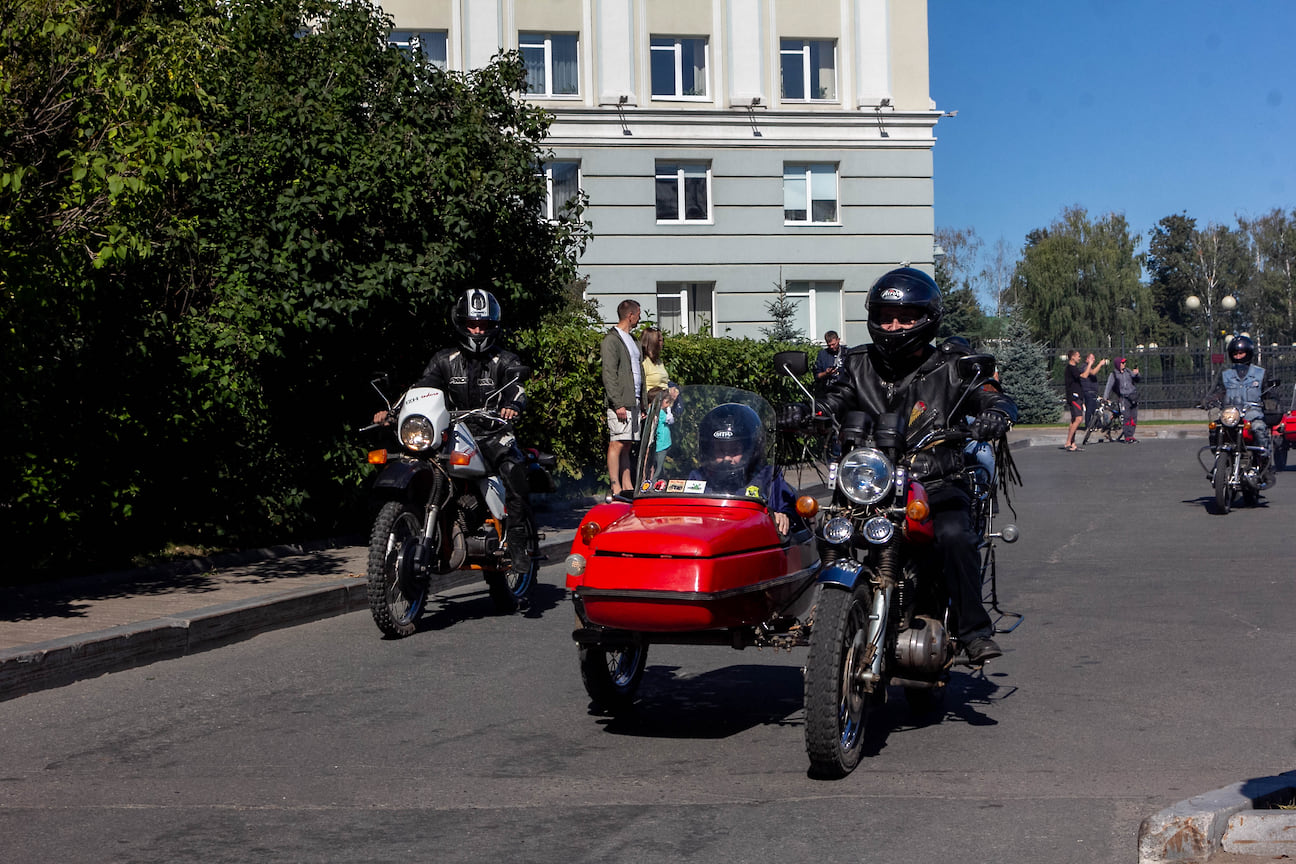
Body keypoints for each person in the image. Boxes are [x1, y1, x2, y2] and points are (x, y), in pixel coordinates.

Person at [822, 267, 1018, 664]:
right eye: (885, 316)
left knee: (955, 537)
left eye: (906, 317)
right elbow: (834, 400)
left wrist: (997, 411)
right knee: (828, 531)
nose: (894, 326)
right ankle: (827, 619)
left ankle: (973, 630)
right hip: (871, 484)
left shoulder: (952, 365)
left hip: (937, 482)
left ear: (927, 318)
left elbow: (990, 395)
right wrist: (808, 413)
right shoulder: (857, 363)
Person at [375, 288, 530, 613]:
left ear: (492, 326)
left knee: (513, 469)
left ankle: (516, 543)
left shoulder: (505, 360)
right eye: (472, 324)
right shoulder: (445, 360)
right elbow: (421, 388)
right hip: (450, 433)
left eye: (483, 325)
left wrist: (512, 406)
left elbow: (517, 386)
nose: (477, 331)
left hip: (491, 432)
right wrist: (395, 412)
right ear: (461, 324)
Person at [692, 402, 798, 534]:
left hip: (754, 541)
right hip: (708, 539)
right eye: (720, 450)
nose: (727, 458)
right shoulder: (699, 478)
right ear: (709, 450)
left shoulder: (766, 476)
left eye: (734, 450)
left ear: (749, 449)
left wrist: (783, 516)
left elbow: (789, 508)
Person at [1207, 334, 1273, 480]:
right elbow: (1217, 391)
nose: (1238, 356)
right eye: (1235, 353)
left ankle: (1264, 463)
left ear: (1248, 353)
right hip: (1231, 414)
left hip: (1252, 414)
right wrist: (1208, 400)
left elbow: (1270, 394)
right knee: (1215, 427)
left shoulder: (1260, 374)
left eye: (1241, 353)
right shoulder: (1225, 374)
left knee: (1259, 428)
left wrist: (1271, 404)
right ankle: (1219, 460)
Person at [601, 299, 642, 497]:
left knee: (627, 444)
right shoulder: (612, 340)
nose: (639, 318)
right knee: (617, 442)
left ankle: (627, 486)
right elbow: (609, 373)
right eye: (638, 314)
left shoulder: (632, 340)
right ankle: (615, 485)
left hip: (633, 400)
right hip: (621, 401)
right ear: (630, 315)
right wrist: (617, 402)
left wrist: (641, 403)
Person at [1063, 351, 1101, 451]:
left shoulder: (1074, 368)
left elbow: (1085, 374)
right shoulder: (1071, 368)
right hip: (1074, 396)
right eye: (1078, 356)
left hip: (1078, 396)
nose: (1079, 358)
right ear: (1072, 357)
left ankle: (1072, 443)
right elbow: (1084, 375)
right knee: (1079, 419)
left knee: (1074, 420)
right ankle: (1068, 442)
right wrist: (1090, 364)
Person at [1103, 357, 1141, 442]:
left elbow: (1137, 379)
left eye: (1124, 363)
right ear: (1118, 364)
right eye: (1122, 363)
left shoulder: (1128, 371)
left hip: (1133, 396)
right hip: (1123, 398)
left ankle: (1131, 434)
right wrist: (1105, 397)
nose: (1124, 364)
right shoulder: (1114, 374)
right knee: (1126, 417)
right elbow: (1109, 386)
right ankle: (1127, 436)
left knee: (1133, 417)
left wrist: (1137, 374)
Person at [646, 385, 676, 479]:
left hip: (663, 443)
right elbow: (670, 420)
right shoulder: (660, 413)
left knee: (659, 465)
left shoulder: (657, 411)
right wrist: (668, 409)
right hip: (661, 444)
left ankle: (656, 482)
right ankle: (654, 482)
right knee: (658, 467)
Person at [1081, 353, 1108, 430]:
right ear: (1087, 359)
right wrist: (1100, 364)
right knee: (1090, 409)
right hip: (1088, 391)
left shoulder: (1089, 367)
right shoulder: (1084, 366)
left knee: (1095, 409)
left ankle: (1098, 424)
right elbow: (1093, 372)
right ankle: (1088, 425)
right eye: (1092, 358)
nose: (1094, 360)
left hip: (1093, 392)